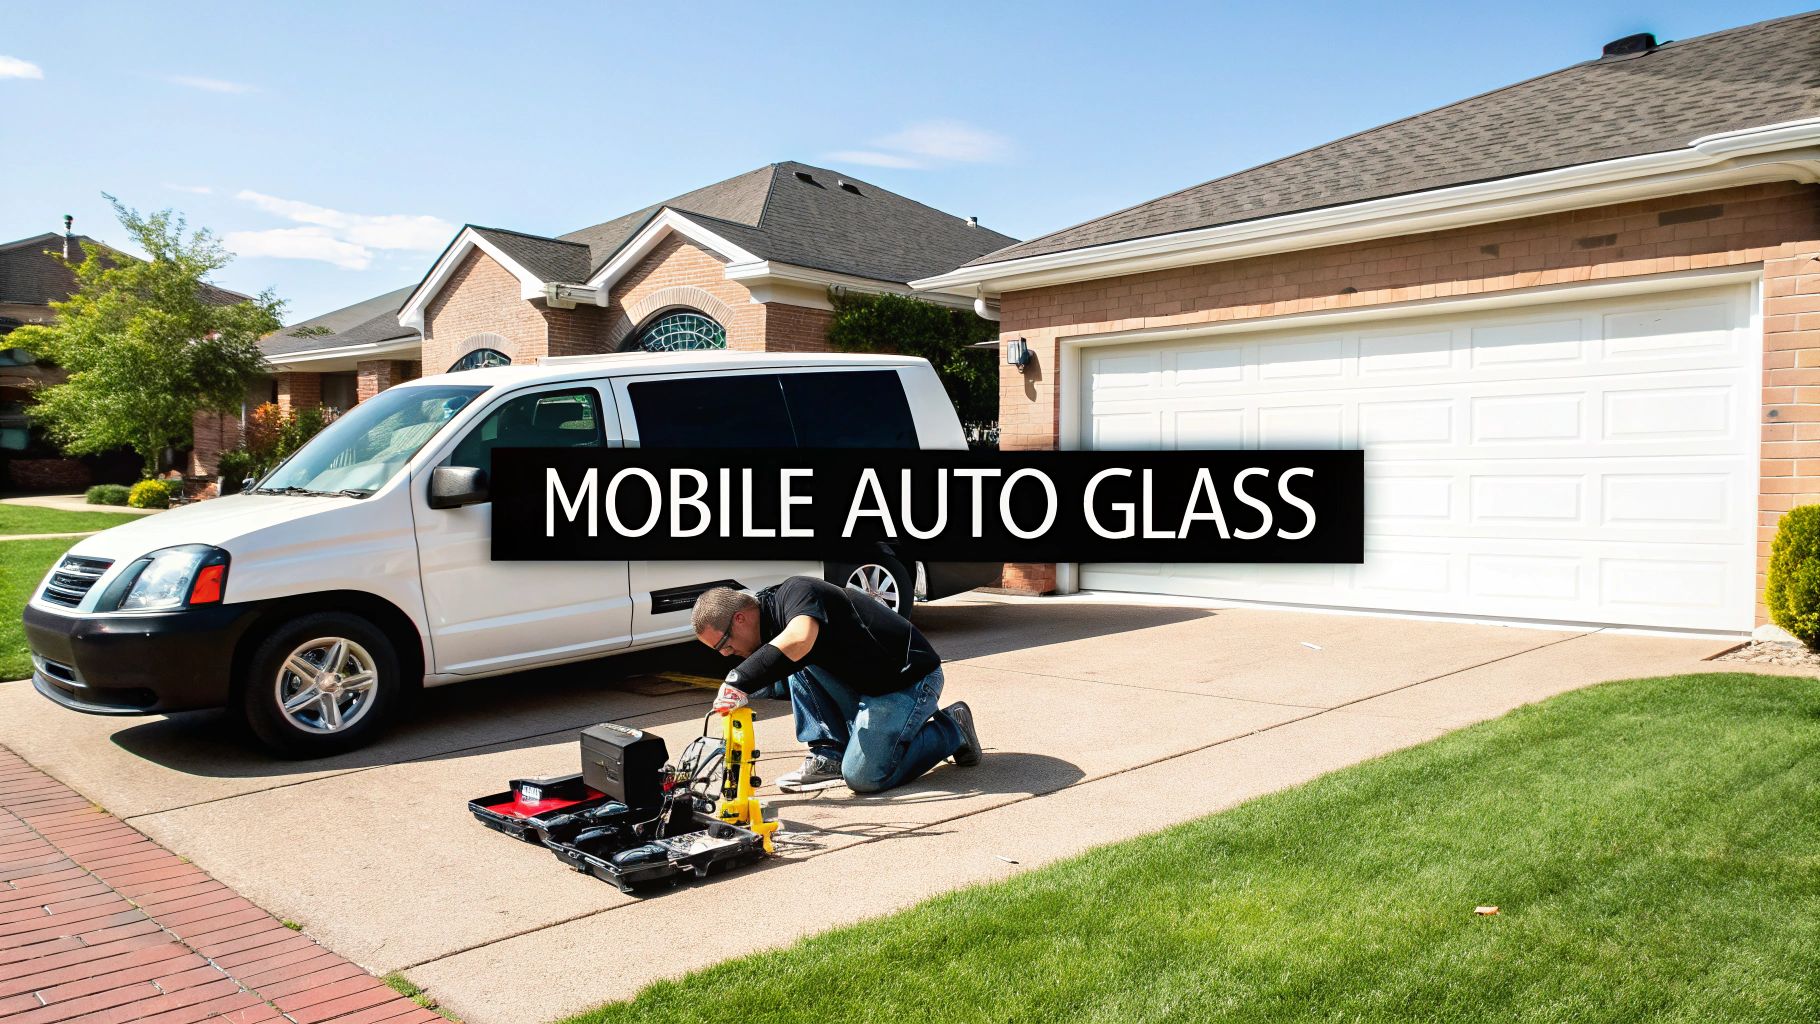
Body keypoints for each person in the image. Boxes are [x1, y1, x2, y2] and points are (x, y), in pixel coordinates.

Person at [691, 577, 982, 793]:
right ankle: (828, 754)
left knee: (863, 778)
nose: (727, 654)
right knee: (792, 663)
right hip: (865, 684)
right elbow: (784, 666)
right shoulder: (769, 627)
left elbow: (799, 638)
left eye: (724, 645)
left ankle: (952, 728)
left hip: (906, 682)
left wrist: (737, 681)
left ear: (740, 619)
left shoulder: (797, 592)